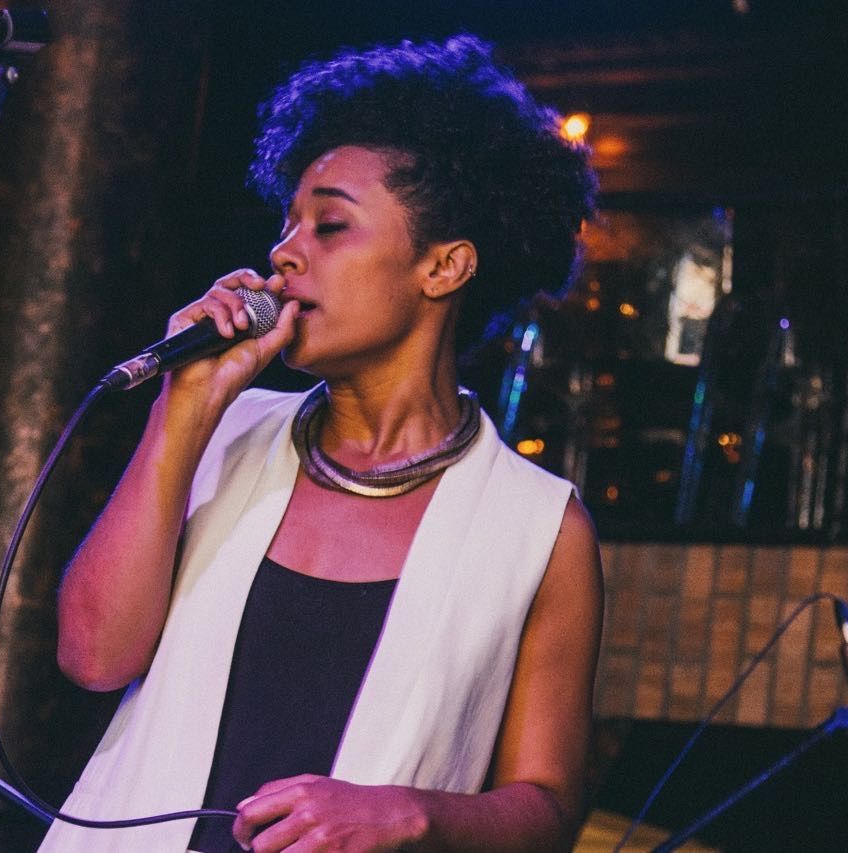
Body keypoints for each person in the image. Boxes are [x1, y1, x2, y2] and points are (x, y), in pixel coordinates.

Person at [39, 34, 603, 853]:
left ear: (444, 267)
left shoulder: (539, 527)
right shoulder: (223, 431)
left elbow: (549, 809)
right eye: (288, 222)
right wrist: (182, 406)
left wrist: (412, 813)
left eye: (330, 225)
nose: (284, 250)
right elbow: (92, 654)